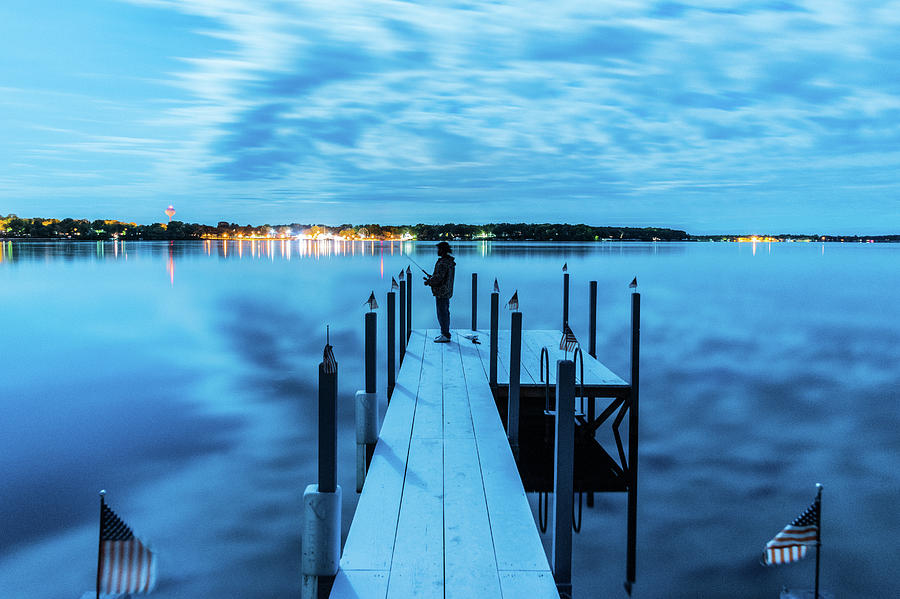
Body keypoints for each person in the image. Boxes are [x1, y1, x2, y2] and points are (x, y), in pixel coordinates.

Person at [423, 241, 455, 342]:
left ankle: (445, 334)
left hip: (442, 292)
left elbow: (439, 278)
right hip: (446, 290)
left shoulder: (443, 263)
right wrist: (432, 277)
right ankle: (445, 333)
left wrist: (429, 281)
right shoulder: (448, 261)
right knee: (445, 312)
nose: (437, 251)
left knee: (442, 313)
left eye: (438, 249)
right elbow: (441, 276)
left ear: (442, 250)